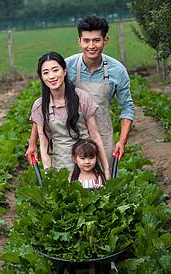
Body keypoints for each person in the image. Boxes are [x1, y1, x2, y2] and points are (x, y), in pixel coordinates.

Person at [25, 15, 134, 172]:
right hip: (72, 137)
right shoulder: (65, 66)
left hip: (101, 135)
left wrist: (122, 141)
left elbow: (127, 108)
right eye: (86, 40)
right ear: (79, 41)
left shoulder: (117, 71)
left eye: (96, 40)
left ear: (105, 41)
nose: (91, 46)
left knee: (103, 184)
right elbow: (44, 104)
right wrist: (32, 142)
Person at [29, 51, 110, 179]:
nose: (51, 76)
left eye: (55, 70)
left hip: (87, 166)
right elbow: (44, 147)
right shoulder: (40, 106)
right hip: (61, 167)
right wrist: (48, 176)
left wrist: (106, 170)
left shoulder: (82, 97)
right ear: (41, 77)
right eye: (46, 73)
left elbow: (95, 136)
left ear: (64, 71)